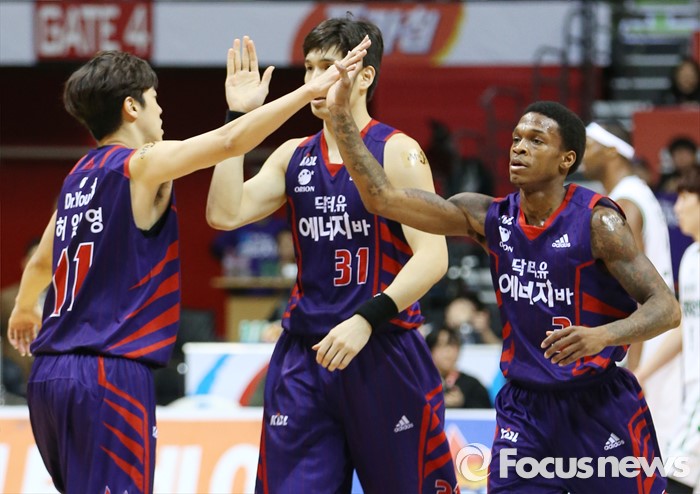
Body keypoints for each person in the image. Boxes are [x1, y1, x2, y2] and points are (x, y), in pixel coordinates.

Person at [6, 38, 369, 494]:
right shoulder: (141, 164)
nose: (161, 110)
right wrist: (311, 89)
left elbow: (43, 259)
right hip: (108, 373)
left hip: (49, 375)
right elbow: (229, 141)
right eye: (154, 99)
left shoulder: (77, 177)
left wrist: (24, 307)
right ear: (132, 107)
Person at [328, 81, 681, 491]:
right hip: (525, 411)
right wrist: (341, 117)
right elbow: (382, 199)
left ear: (566, 159)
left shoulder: (598, 223)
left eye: (536, 140)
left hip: (597, 402)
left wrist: (603, 335)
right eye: (516, 139)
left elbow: (666, 308)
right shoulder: (487, 217)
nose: (519, 148)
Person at [206, 17, 458, 493]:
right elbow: (223, 212)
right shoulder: (293, 155)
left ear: (364, 76)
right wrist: (237, 120)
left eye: (328, 67)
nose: (314, 79)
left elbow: (433, 257)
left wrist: (365, 319)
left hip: (381, 346)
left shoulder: (397, 152)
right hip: (306, 354)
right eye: (309, 67)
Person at [583, 120, 680, 452]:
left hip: (646, 345)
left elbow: (635, 291)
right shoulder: (634, 192)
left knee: (647, 458)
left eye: (590, 145)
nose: (582, 153)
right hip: (654, 340)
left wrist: (634, 369)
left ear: (612, 151)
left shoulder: (625, 203)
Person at [636, 166, 700, 494]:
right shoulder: (690, 258)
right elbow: (684, 328)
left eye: (685, 198)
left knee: (674, 472)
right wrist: (642, 373)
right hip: (692, 390)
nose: (677, 208)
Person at [425, 327, 492, 408]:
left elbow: (486, 412)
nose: (448, 351)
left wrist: (463, 403)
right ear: (429, 351)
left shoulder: (473, 385)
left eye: (452, 345)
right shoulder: (419, 383)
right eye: (440, 345)